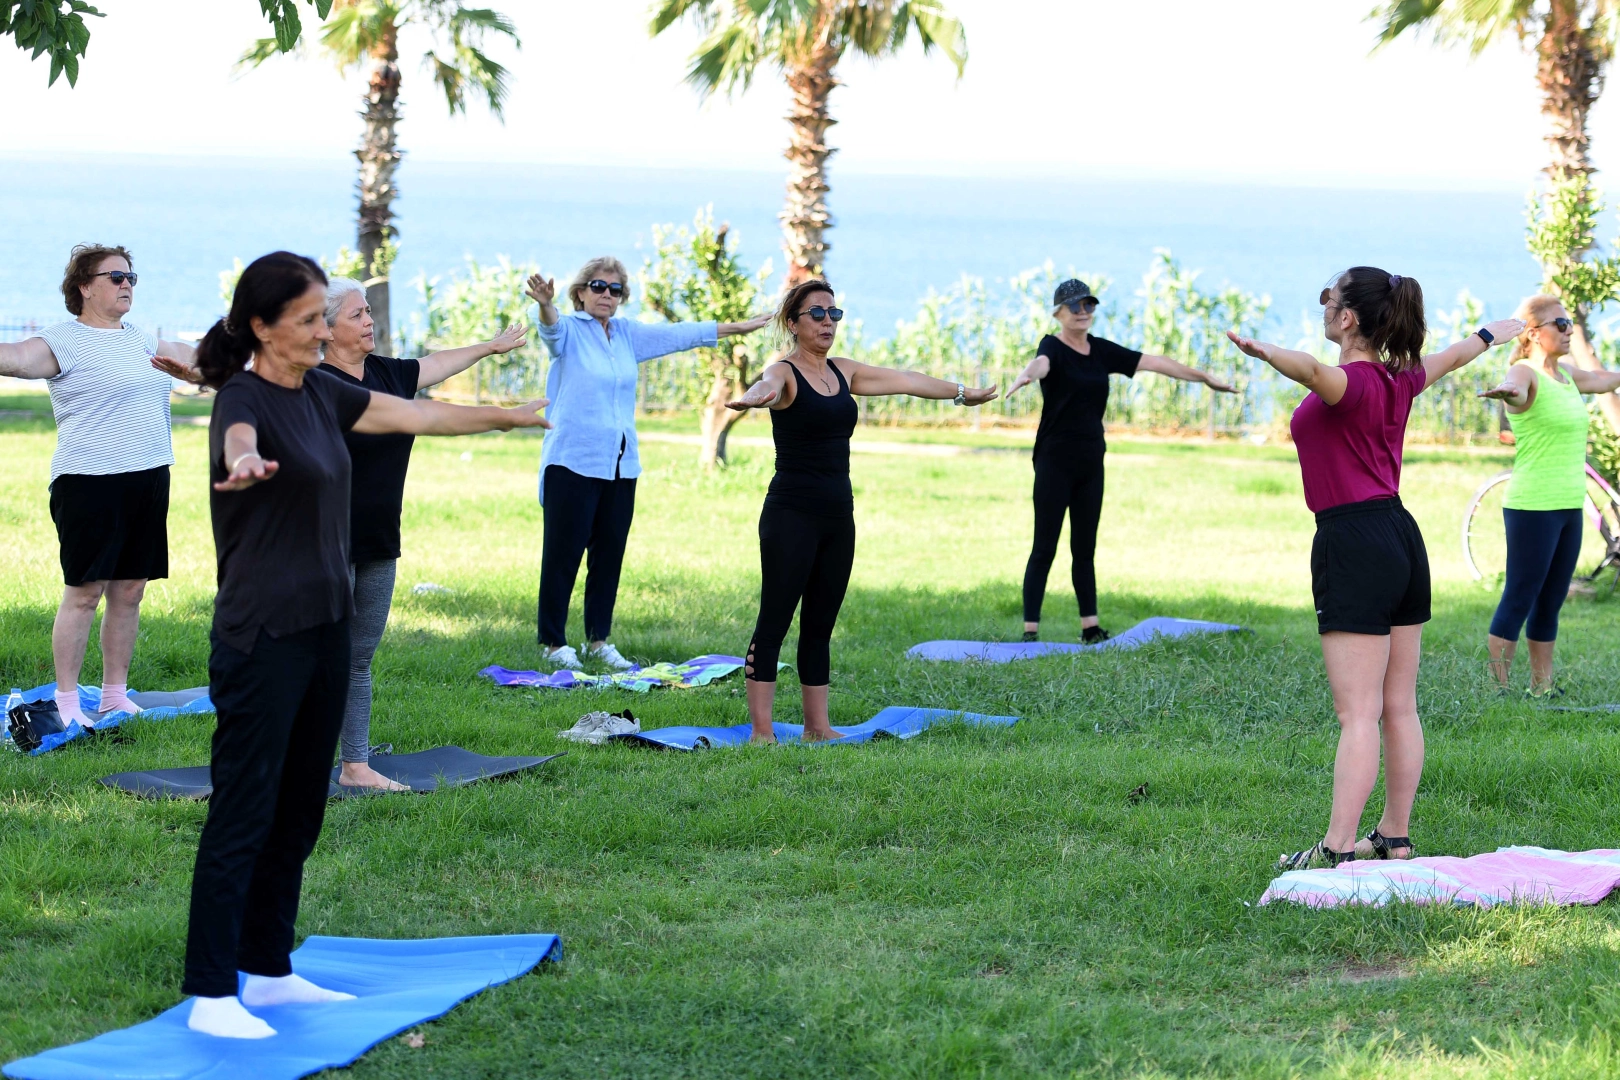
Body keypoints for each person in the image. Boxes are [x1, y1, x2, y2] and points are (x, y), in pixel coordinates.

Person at [183, 252, 549, 1039]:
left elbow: (416, 414)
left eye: (326, 317)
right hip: (261, 637)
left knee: (300, 809)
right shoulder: (244, 399)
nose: (323, 331)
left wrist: (512, 417)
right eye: (311, 319)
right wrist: (242, 461)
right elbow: (238, 436)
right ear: (262, 326)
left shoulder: (325, 392)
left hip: (322, 630)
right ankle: (212, 992)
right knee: (244, 810)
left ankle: (270, 971)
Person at [1227, 268, 1522, 870]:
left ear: (1348, 318)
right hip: (1401, 538)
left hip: (1354, 540)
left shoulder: (1353, 382)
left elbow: (1312, 372)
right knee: (1399, 705)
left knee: (1358, 713)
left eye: (1329, 296)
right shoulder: (1401, 378)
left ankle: (1335, 848)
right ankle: (1394, 836)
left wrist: (1264, 352)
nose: (1323, 302)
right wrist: (1492, 334)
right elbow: (1458, 354)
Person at [726, 280, 998, 743]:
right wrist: (756, 397)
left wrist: (961, 393)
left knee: (820, 622)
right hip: (790, 514)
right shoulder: (784, 371)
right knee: (774, 618)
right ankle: (762, 731)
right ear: (793, 323)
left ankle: (818, 727)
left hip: (838, 515)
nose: (828, 322)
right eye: (817, 314)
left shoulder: (843, 372)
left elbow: (907, 381)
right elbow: (768, 385)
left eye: (834, 314)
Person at [318, 277, 531, 790]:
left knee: (359, 658)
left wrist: (493, 346)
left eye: (369, 311)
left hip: (378, 540)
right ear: (324, 331)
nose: (369, 320)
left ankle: (355, 765)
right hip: (321, 543)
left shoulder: (389, 374)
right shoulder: (315, 383)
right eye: (356, 315)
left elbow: (437, 365)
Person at [523, 257, 770, 670]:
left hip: (620, 466)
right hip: (572, 463)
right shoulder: (568, 330)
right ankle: (552, 643)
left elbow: (679, 334)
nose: (606, 295)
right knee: (562, 555)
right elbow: (549, 328)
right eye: (598, 287)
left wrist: (739, 328)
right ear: (581, 292)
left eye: (615, 289)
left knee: (609, 555)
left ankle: (598, 641)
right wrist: (546, 304)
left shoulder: (626, 335)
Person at [0, 244, 201, 728]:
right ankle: (68, 701)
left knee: (130, 590)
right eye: (113, 276)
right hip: (88, 481)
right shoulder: (61, 341)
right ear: (84, 287)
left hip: (149, 474)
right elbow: (14, 359)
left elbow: (213, 365)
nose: (126, 283)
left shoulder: (144, 341)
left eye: (131, 275)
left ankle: (113, 695)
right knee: (85, 592)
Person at [1007, 279, 1237, 643]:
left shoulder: (1099, 351)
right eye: (1074, 307)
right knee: (1044, 547)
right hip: (1054, 461)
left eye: (1088, 306)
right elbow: (1041, 364)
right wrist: (1024, 376)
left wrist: (1204, 378)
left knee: (1085, 548)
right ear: (1059, 313)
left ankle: (1090, 628)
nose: (1083, 313)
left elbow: (1155, 363)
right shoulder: (1052, 345)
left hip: (1091, 462)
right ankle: (1030, 631)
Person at [1479, 296, 1620, 696]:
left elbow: (1605, 380)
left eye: (1569, 323)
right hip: (1531, 508)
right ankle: (1498, 690)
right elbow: (1517, 390)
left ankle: (1542, 687)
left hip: (1567, 507)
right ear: (1533, 332)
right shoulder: (1524, 372)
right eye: (1560, 323)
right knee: (1520, 596)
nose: (1568, 330)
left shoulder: (1568, 376)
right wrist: (1507, 392)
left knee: (1551, 600)